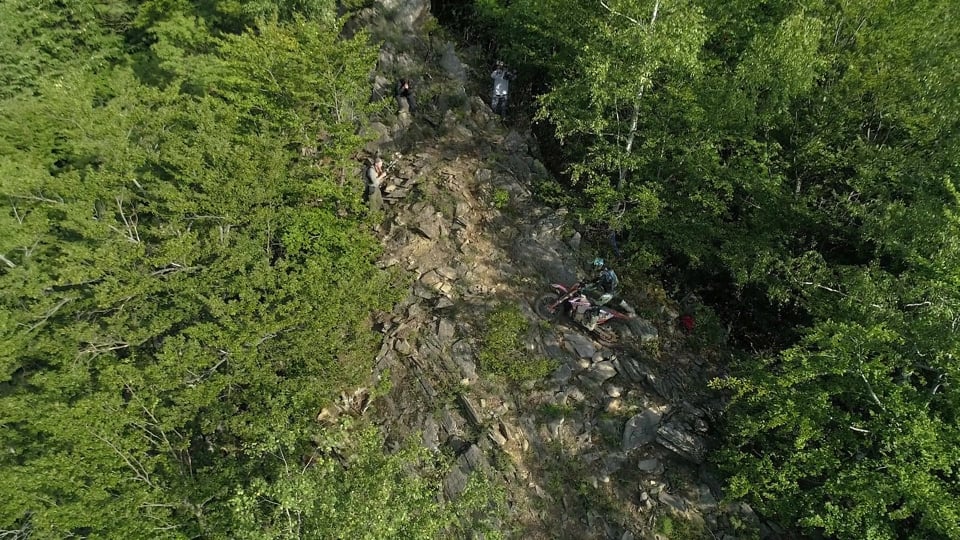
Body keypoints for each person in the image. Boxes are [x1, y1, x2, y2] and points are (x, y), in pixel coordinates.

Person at [580, 258, 634, 330]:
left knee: (596, 305)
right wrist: (589, 282)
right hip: (615, 291)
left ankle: (591, 325)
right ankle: (629, 310)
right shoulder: (609, 270)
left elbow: (597, 285)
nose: (594, 267)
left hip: (609, 293)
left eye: (595, 266)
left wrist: (587, 287)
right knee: (617, 300)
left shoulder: (603, 273)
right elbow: (598, 280)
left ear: (599, 265)